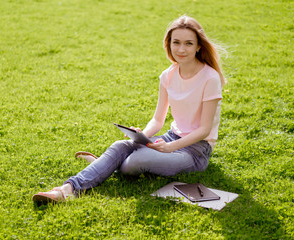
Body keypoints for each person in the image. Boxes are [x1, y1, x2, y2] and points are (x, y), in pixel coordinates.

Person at [32, 15, 226, 205]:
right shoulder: (168, 75)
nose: (181, 49)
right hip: (171, 137)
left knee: (132, 163)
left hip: (196, 151)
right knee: (120, 146)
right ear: (169, 44)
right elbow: (158, 120)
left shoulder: (210, 77)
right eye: (176, 42)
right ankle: (67, 190)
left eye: (189, 43)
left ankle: (104, 164)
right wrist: (142, 135)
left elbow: (205, 129)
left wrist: (170, 148)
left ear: (199, 46)